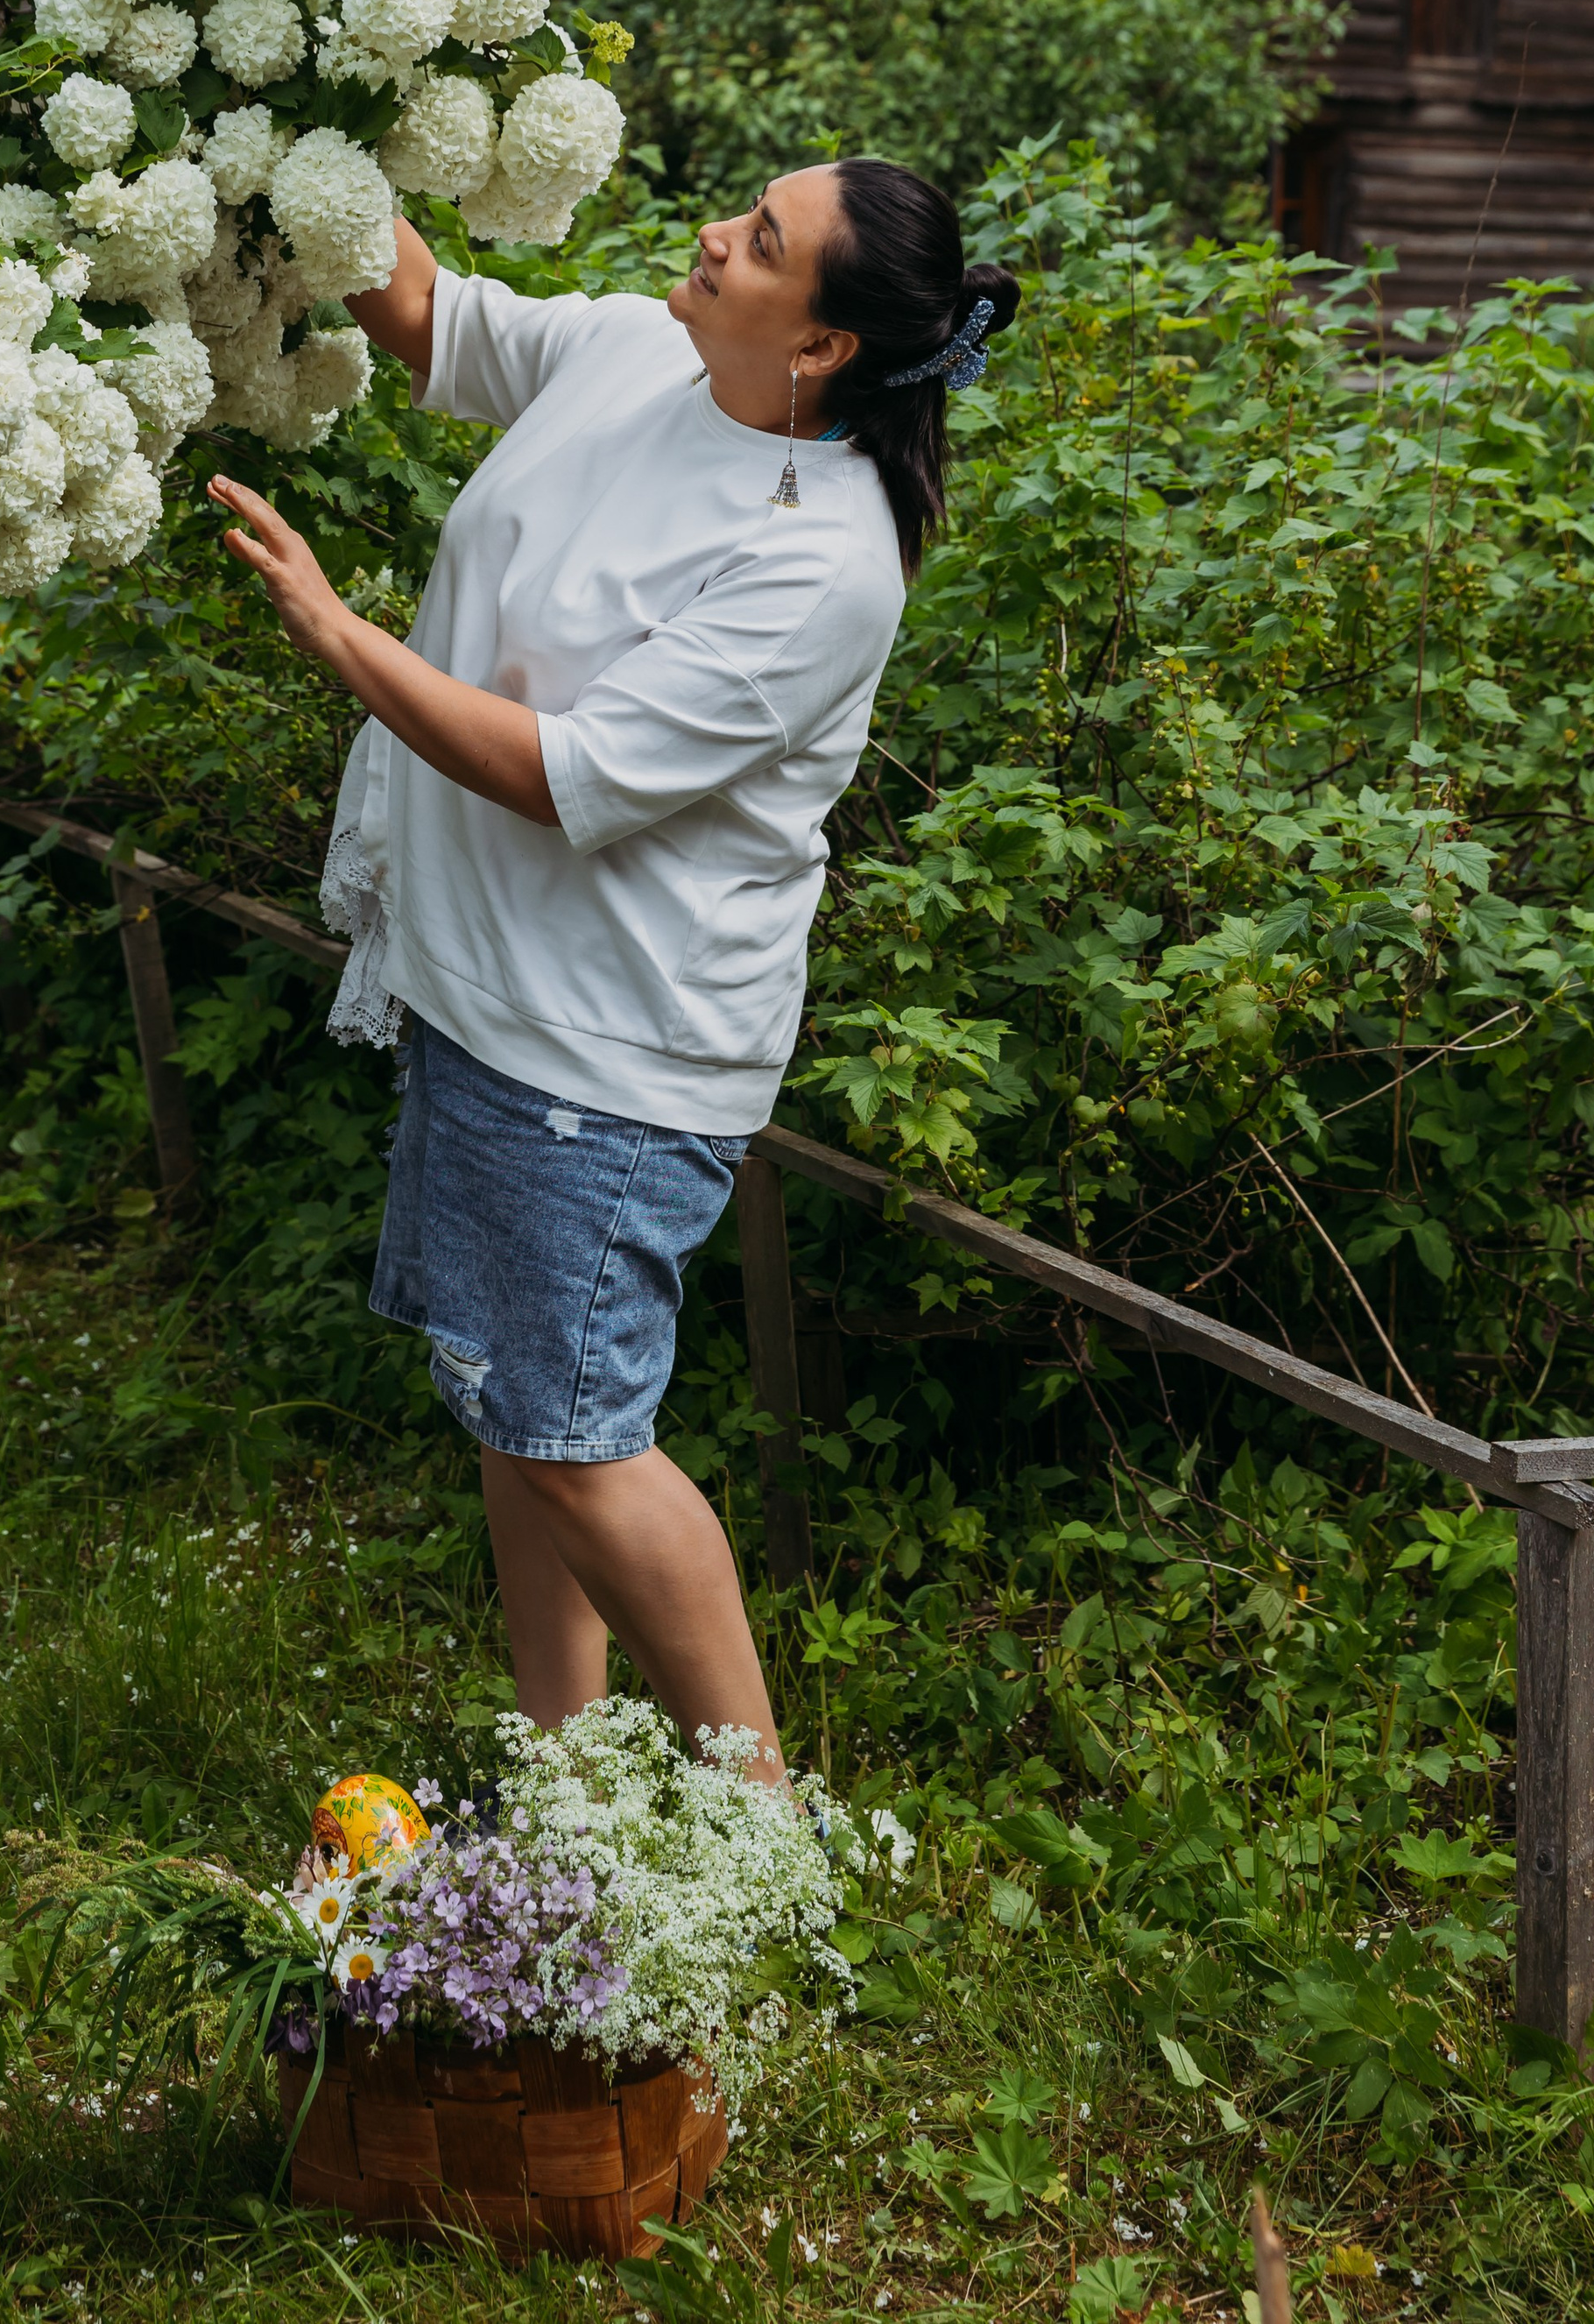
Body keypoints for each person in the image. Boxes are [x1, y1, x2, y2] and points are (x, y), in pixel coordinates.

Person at [209, 159, 1017, 1783]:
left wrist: (338, 631)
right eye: (747, 210)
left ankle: (759, 1836)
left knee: (580, 1439)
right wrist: (311, 125)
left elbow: (562, 773)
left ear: (824, 346)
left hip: (611, 1048)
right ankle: (563, 1773)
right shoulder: (645, 351)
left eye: (762, 242)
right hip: (493, 985)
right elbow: (426, 315)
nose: (716, 235)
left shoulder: (828, 560)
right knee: (518, 1410)